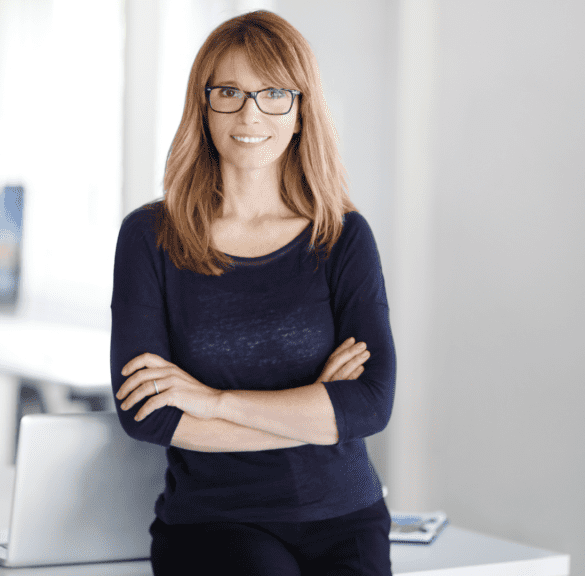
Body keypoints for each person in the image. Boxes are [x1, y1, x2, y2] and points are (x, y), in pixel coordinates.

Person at [110, 10, 395, 576]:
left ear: (300, 110)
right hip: (215, 524)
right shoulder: (150, 237)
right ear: (203, 105)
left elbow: (370, 404)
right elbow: (146, 414)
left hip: (348, 516)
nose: (249, 114)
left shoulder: (341, 236)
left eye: (273, 94)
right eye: (229, 93)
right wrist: (313, 408)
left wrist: (213, 401)